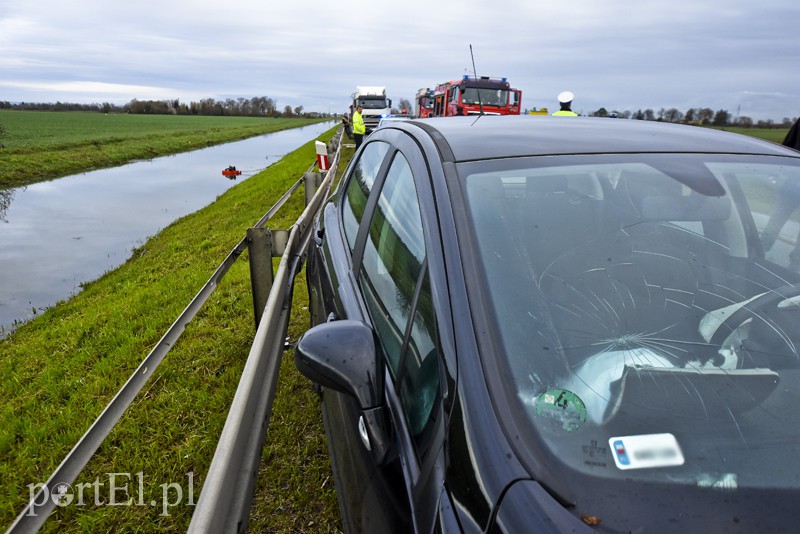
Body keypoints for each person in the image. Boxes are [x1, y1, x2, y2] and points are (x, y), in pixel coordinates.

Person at [760, 117, 800, 269]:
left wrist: (774, 173)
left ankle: (759, 252)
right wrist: (774, 173)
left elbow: (787, 146)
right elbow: (788, 147)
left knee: (776, 220)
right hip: (794, 179)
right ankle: (759, 252)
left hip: (792, 178)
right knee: (776, 220)